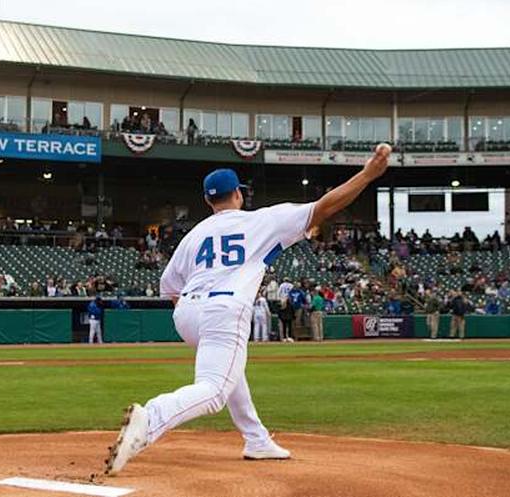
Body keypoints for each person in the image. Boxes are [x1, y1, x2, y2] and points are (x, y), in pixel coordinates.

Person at [104, 145, 390, 475]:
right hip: (225, 307)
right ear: (238, 194)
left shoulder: (195, 234)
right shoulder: (262, 220)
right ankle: (150, 418)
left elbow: (169, 287)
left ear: (209, 201)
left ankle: (256, 439)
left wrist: (197, 315)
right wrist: (368, 174)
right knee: (213, 391)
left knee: (230, 369)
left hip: (187, 312)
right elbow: (325, 207)